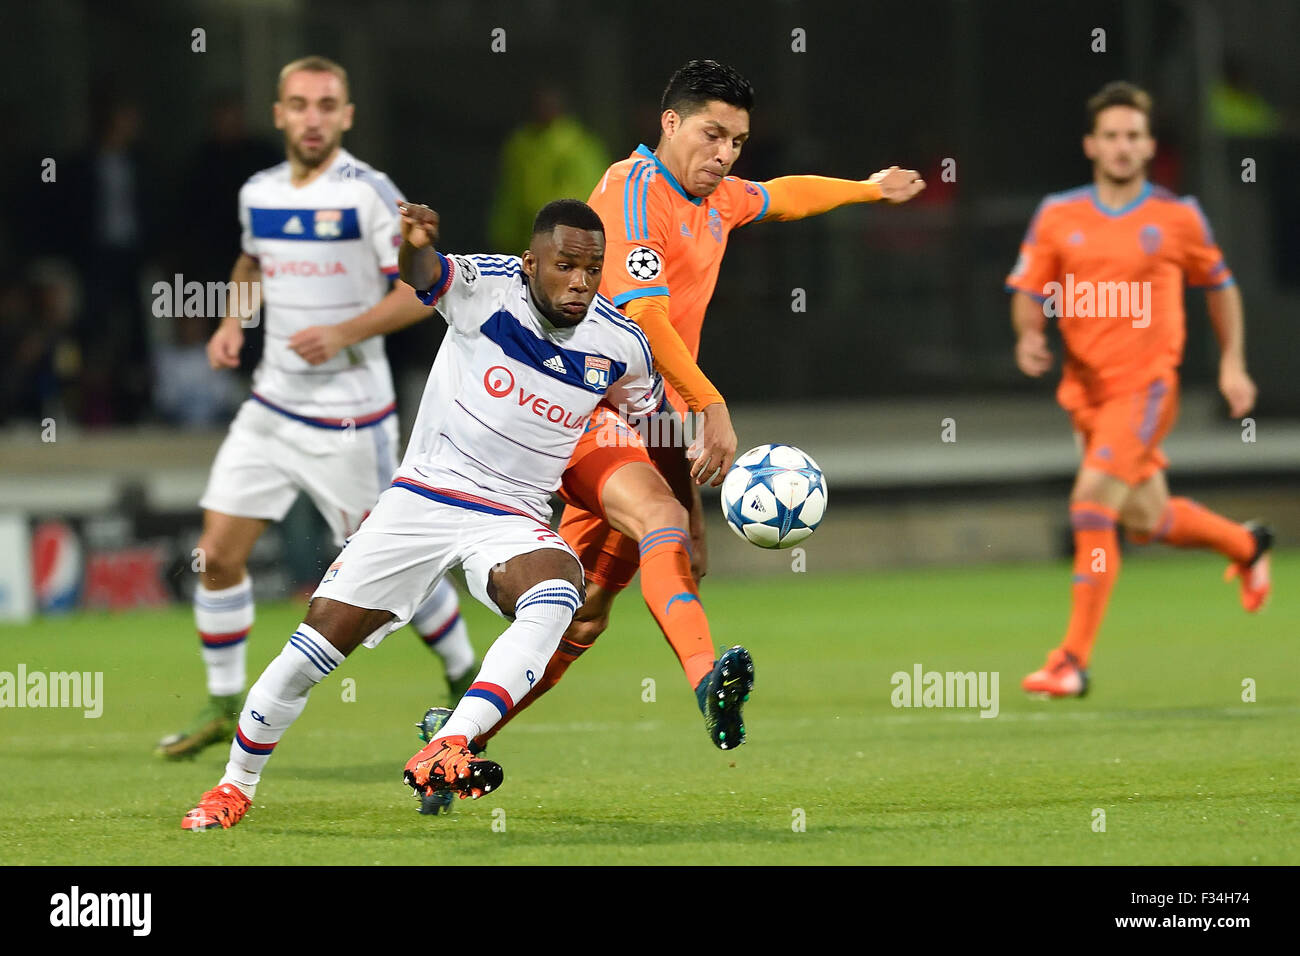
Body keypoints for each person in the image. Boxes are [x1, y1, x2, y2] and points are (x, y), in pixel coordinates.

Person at [467, 59, 925, 753]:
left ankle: (455, 738)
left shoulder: (716, 200)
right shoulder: (631, 191)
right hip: (579, 400)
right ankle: (709, 680)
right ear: (670, 123)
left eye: (737, 142)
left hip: (648, 414)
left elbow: (781, 196)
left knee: (584, 615)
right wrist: (710, 405)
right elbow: (646, 320)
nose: (724, 155)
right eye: (713, 135)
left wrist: (867, 189)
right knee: (663, 524)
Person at [180, 198, 659, 828]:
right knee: (312, 649)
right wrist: (415, 244)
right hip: (424, 497)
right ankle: (233, 787)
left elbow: (636, 411)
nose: (580, 282)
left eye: (593, 269)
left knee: (557, 595)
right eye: (565, 265)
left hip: (512, 513)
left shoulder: (621, 344)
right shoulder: (486, 287)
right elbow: (425, 273)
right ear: (530, 263)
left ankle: (451, 744)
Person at [157, 56, 476, 759]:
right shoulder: (259, 192)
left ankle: (464, 674)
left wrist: (342, 331)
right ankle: (220, 702)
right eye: (298, 104)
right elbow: (250, 264)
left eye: (326, 105)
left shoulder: (369, 194)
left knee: (392, 571)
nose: (311, 117)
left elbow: (420, 291)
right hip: (270, 408)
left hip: (350, 422)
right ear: (278, 113)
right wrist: (233, 322)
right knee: (216, 555)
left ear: (347, 115)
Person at [1005, 81, 1271, 699]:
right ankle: (1246, 543)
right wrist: (1027, 337)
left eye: (1134, 136)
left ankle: (1072, 659)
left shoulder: (1178, 218)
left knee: (1091, 504)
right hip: (1086, 393)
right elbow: (1026, 291)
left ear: (1149, 145)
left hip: (1147, 391)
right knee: (1147, 519)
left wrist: (1233, 364)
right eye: (1112, 136)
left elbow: (1221, 287)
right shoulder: (1057, 214)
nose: (1123, 146)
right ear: (1091, 145)